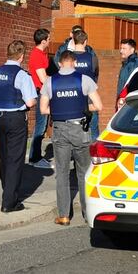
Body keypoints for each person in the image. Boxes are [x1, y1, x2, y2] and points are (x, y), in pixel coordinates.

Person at [41, 50, 102, 225]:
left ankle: (64, 215)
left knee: (62, 173)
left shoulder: (50, 82)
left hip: (60, 129)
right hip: (80, 129)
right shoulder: (84, 80)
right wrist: (83, 108)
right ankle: (87, 213)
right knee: (84, 172)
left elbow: (44, 110)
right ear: (74, 62)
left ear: (60, 63)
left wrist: (60, 110)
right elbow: (98, 106)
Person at [0, 40, 38, 213]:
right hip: (15, 117)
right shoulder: (23, 75)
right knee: (15, 159)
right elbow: (30, 101)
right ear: (22, 56)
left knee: (4, 155)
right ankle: (9, 202)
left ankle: (6, 189)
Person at [27, 29, 54, 169]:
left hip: (43, 92)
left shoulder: (41, 54)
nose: (50, 41)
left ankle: (36, 157)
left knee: (42, 126)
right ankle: (34, 158)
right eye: (49, 38)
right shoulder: (37, 55)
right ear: (43, 40)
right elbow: (43, 78)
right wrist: (58, 80)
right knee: (40, 126)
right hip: (40, 93)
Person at [69, 30, 100, 139]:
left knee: (72, 126)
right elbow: (96, 75)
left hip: (71, 96)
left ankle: (74, 153)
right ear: (85, 41)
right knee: (93, 126)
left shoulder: (67, 58)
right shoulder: (92, 58)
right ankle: (94, 153)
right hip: (89, 96)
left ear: (73, 41)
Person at [117, 38, 138, 110]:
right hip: (124, 101)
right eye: (121, 48)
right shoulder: (127, 63)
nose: (121, 51)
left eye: (124, 48)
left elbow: (133, 82)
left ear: (132, 50)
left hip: (128, 102)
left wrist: (123, 98)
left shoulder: (134, 63)